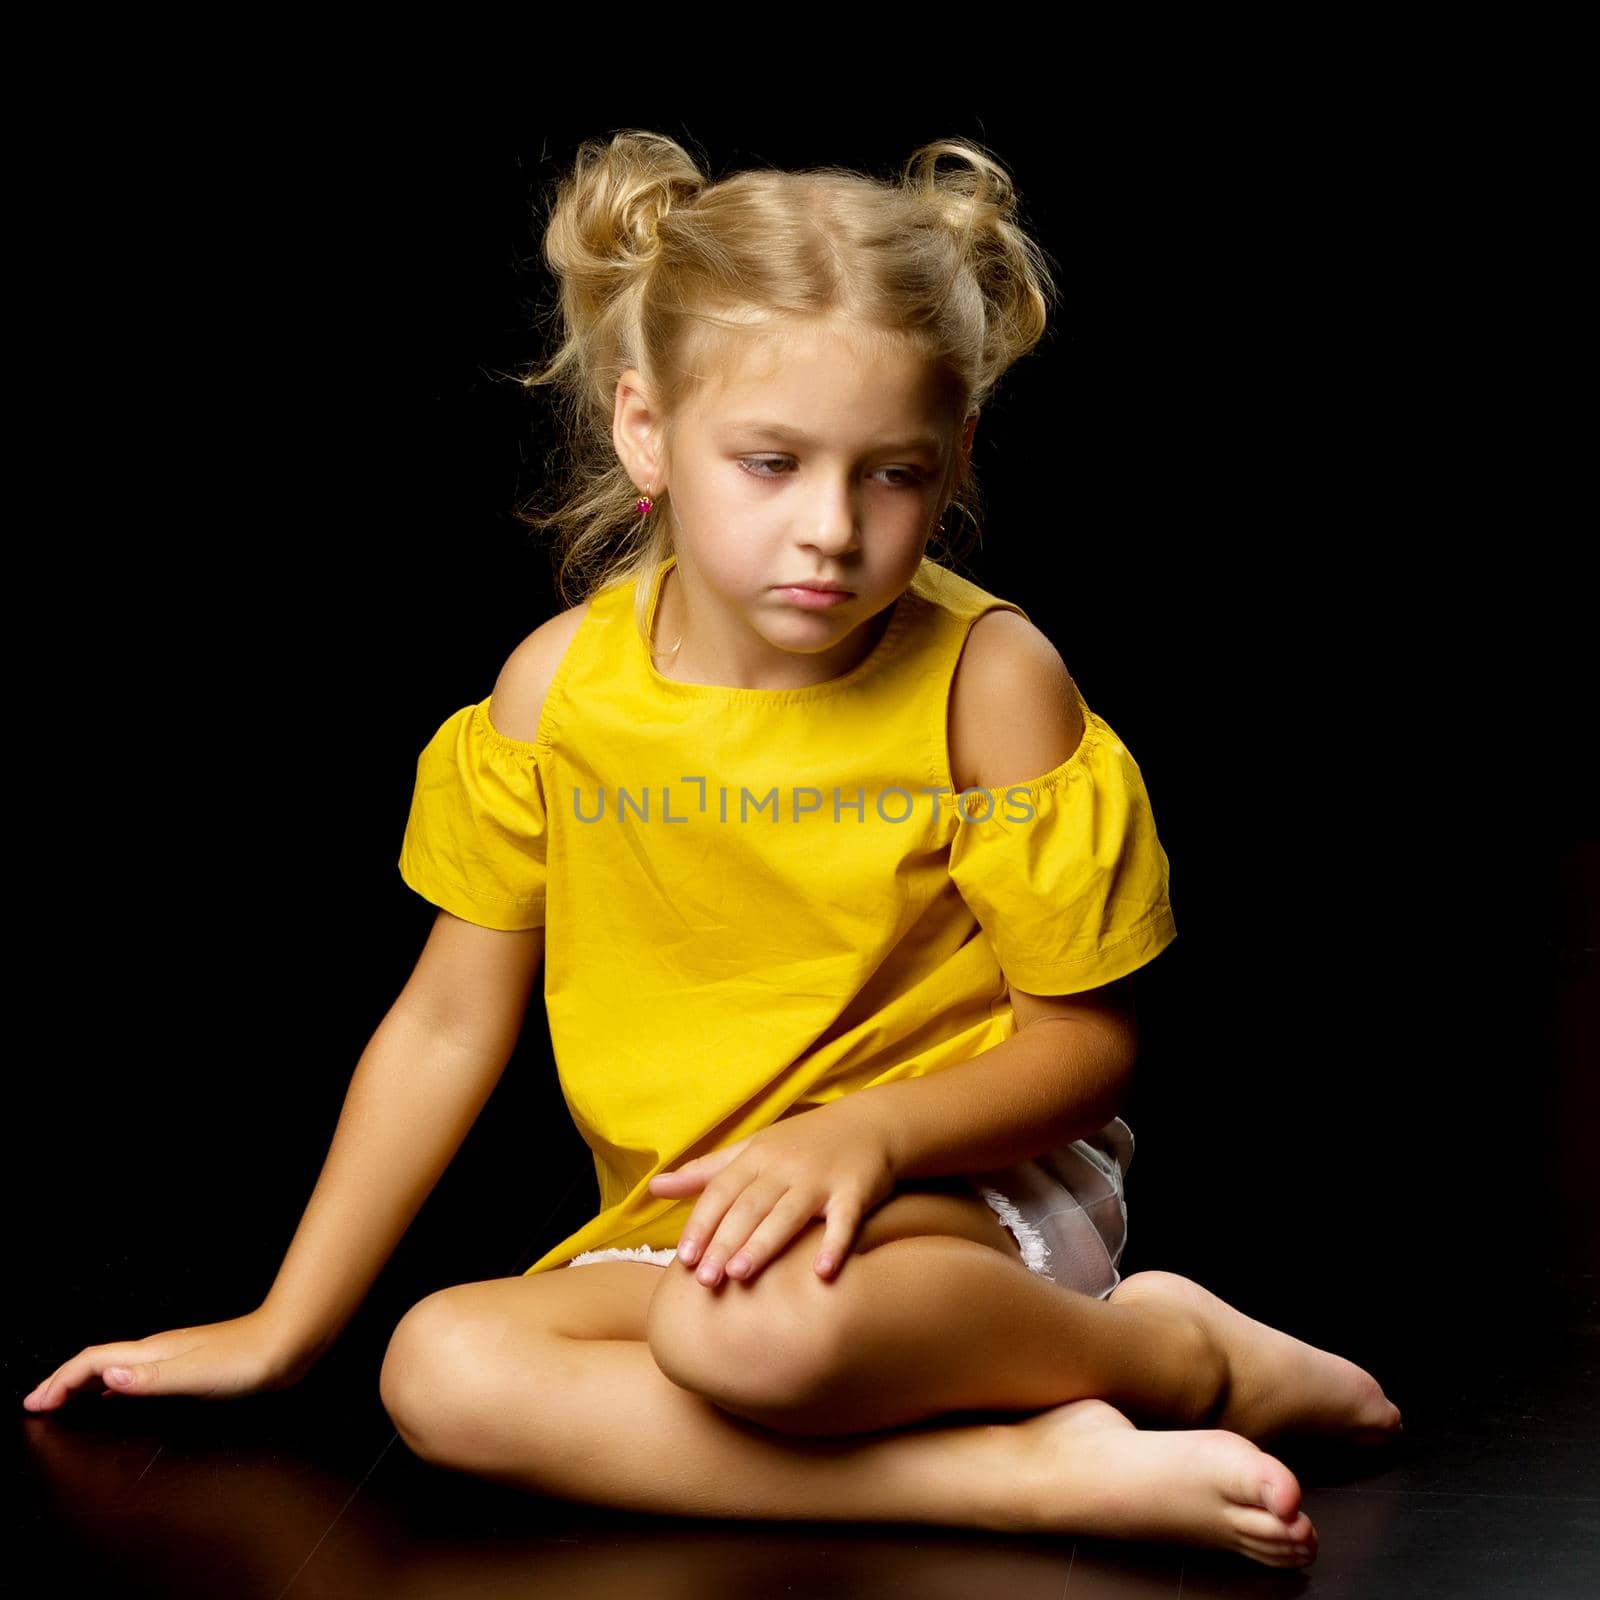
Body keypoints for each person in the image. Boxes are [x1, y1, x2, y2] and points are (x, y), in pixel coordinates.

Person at [21, 131, 1402, 1569]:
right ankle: (1009, 1476)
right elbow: (443, 1023)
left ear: (956, 460)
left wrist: (858, 1136)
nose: (830, 530)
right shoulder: (559, 691)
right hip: (706, 1223)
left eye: (892, 475)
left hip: (949, 1194)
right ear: (644, 430)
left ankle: (1180, 1357)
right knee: (438, 1367)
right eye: (771, 462)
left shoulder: (989, 680)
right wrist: (284, 1329)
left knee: (759, 1337)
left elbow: (1085, 1046)